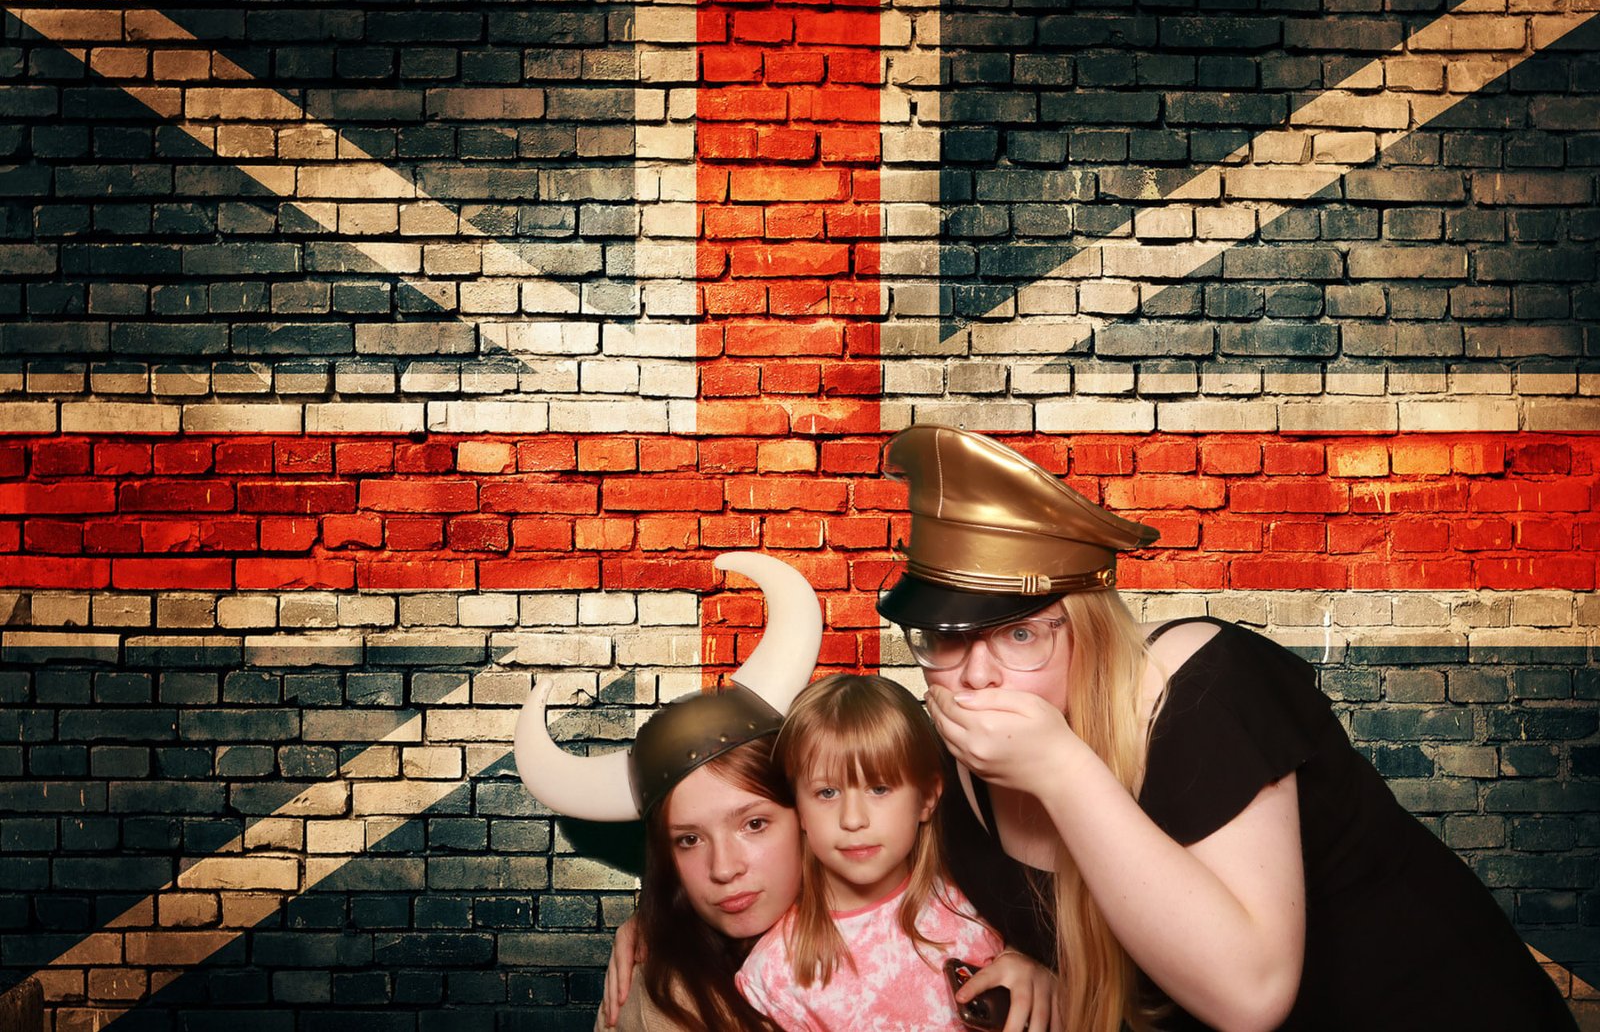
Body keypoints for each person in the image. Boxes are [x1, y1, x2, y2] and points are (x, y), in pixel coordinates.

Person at [875, 424, 1578, 1032]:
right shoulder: (947, 773)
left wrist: (1062, 770)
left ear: (1087, 630)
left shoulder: (1204, 687)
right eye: (945, 638)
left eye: (1021, 635)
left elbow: (1251, 996)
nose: (977, 678)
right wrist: (1036, 966)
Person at [516, 552, 1055, 1032]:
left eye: (754, 823)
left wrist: (1037, 968)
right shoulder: (674, 1001)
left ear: (796, 810)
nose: (725, 869)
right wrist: (652, 922)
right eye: (688, 840)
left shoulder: (961, 873)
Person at [736, 674, 1028, 1032]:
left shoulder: (980, 902)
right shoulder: (775, 974)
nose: (853, 819)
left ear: (927, 797)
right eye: (827, 793)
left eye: (878, 788)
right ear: (799, 808)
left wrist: (1028, 963)